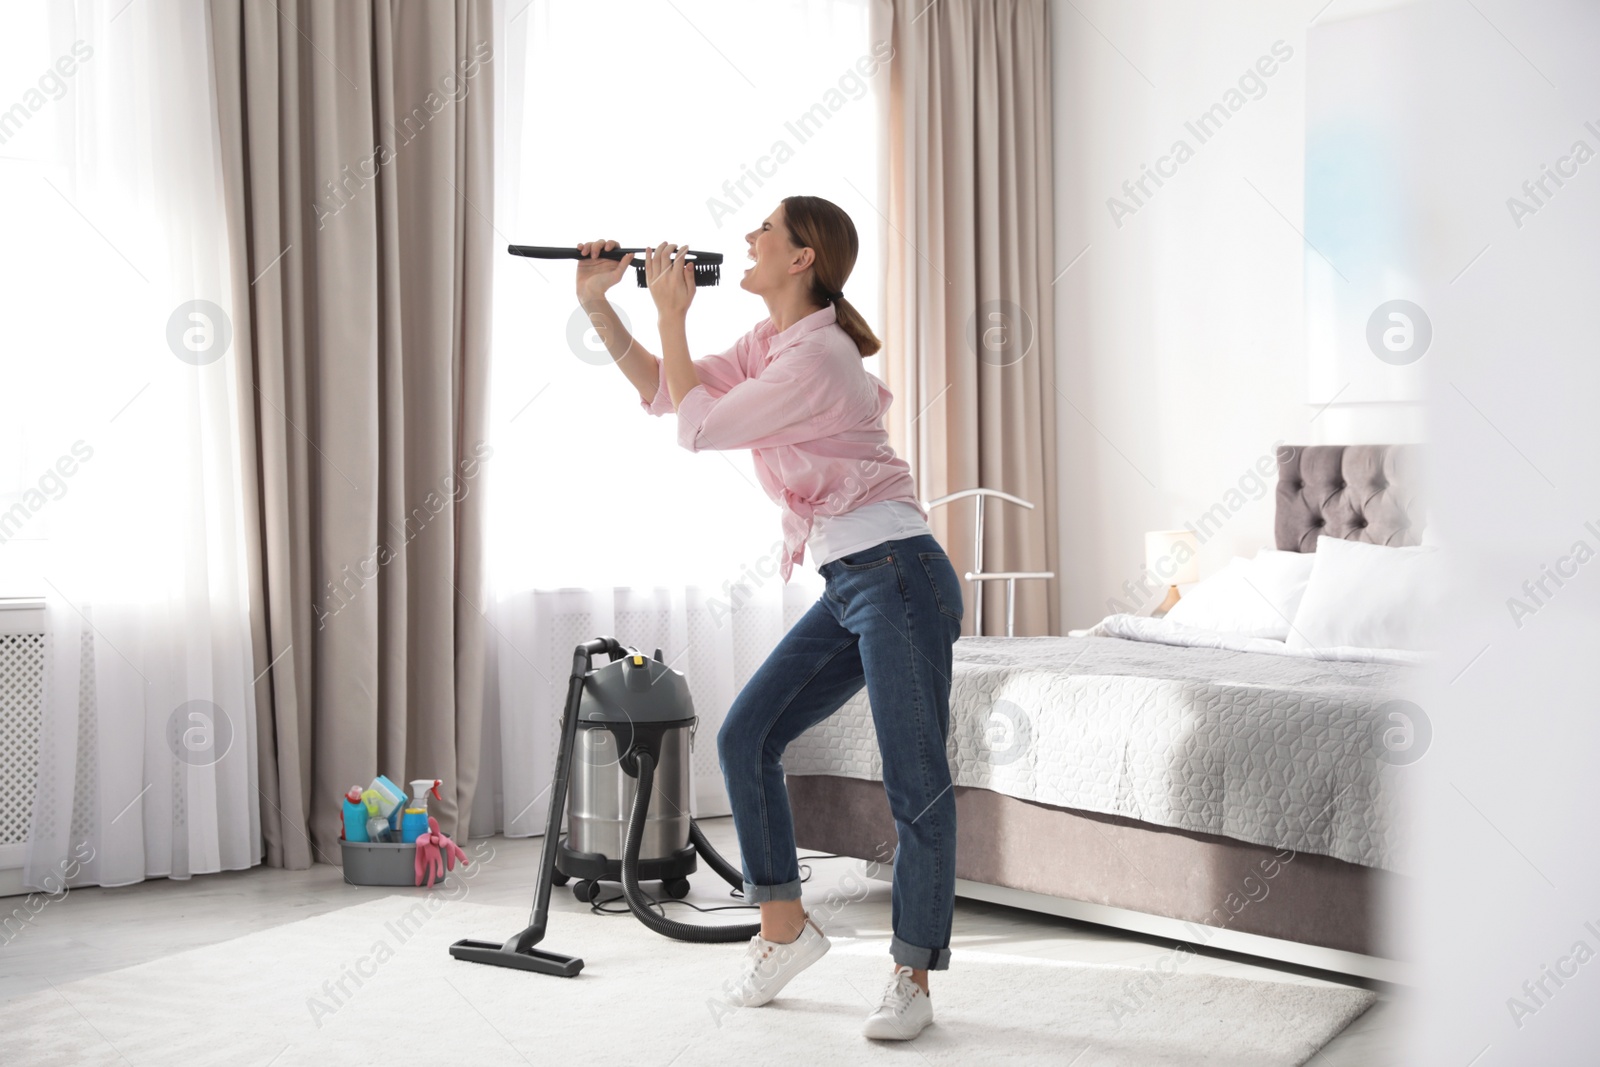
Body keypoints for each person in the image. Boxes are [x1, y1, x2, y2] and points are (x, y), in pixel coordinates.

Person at [573, 195, 963, 1041]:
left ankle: (913, 976)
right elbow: (664, 393)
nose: (746, 237)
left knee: (914, 781)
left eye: (764, 229)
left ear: (801, 259)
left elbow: (699, 429)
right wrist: (605, 304)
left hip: (900, 574)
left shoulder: (818, 358)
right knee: (746, 736)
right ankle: (783, 926)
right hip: (852, 580)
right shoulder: (769, 344)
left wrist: (671, 311)